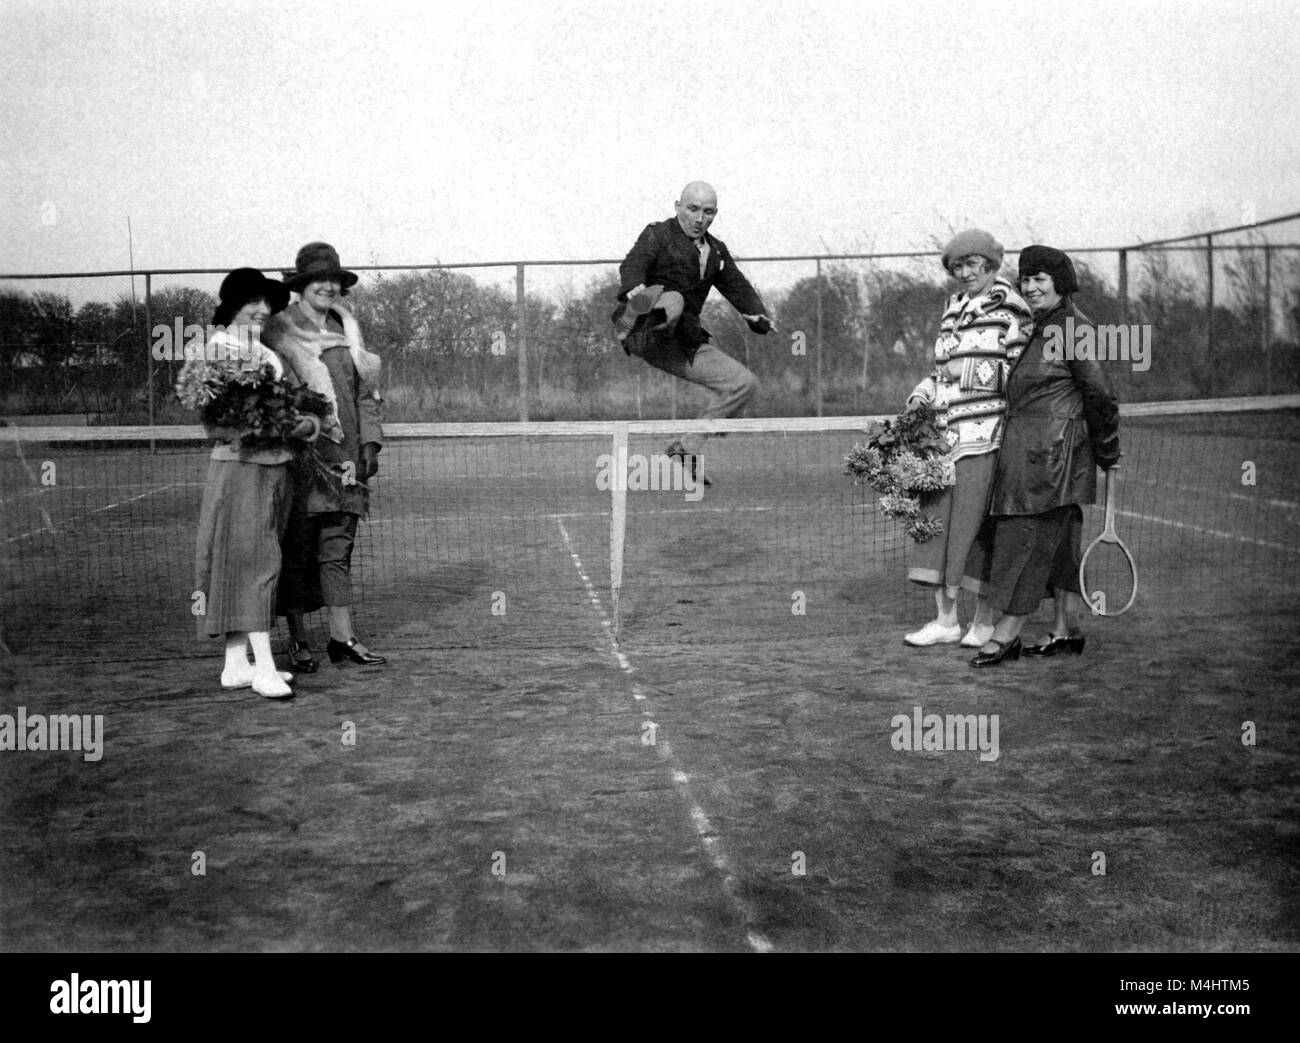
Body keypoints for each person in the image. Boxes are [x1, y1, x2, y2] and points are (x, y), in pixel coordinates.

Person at [969, 245, 1120, 666]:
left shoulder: (1071, 327)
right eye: (1027, 279)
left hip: (1050, 460)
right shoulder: (1043, 324)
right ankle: (1064, 631)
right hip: (1037, 454)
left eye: (1040, 279)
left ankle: (1008, 634)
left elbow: (1101, 394)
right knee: (1060, 541)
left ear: (1060, 283)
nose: (1031, 286)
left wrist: (1109, 451)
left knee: (1026, 541)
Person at [189, 268, 318, 698]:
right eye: (253, 302)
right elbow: (238, 422)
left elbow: (279, 409)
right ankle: (264, 668)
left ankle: (234, 665)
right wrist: (297, 426)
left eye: (267, 302)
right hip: (245, 468)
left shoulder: (257, 349)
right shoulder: (221, 349)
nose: (263, 310)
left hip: (270, 466)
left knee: (244, 561)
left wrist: (304, 421)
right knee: (258, 562)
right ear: (232, 306)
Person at [902, 230, 1034, 648]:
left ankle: (983, 621)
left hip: (987, 435)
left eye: (973, 264)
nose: (964, 273)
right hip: (943, 437)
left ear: (992, 265)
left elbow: (1023, 376)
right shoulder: (952, 308)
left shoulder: (1014, 309)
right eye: (957, 266)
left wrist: (970, 371)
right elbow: (940, 367)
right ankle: (945, 621)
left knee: (976, 530)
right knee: (938, 526)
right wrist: (921, 394)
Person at [262, 242, 387, 670]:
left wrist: (369, 442)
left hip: (346, 457)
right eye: (319, 279)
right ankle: (297, 641)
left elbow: (366, 394)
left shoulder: (348, 330)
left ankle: (342, 638)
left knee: (339, 548)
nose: (328, 286)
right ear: (301, 286)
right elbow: (272, 398)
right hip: (297, 458)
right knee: (295, 549)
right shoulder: (277, 331)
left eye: (334, 279)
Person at [613, 181, 776, 480]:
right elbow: (633, 263)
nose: (700, 218)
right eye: (693, 209)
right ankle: (625, 328)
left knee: (743, 383)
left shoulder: (716, 252)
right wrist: (635, 286)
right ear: (678, 207)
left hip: (681, 343)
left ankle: (687, 448)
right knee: (673, 299)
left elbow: (737, 287)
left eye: (708, 212)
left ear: (715, 214)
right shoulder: (657, 234)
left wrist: (757, 314)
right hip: (645, 327)